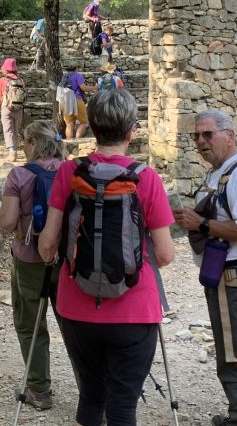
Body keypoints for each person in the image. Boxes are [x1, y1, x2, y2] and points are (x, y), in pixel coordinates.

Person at [38, 88, 174, 426]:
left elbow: (46, 246)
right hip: (134, 310)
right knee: (123, 406)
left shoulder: (70, 173)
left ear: (92, 126)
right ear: (132, 130)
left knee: (91, 396)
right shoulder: (146, 178)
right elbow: (166, 255)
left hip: (76, 307)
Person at [172, 110, 237, 426]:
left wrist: (203, 223)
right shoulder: (218, 173)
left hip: (235, 279)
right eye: (196, 136)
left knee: (234, 354)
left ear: (229, 134)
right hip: (225, 279)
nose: (201, 141)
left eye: (208, 134)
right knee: (235, 348)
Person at [0, 121, 65, 411]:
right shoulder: (71, 171)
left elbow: (8, 222)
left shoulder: (19, 175)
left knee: (30, 324)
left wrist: (2, 221)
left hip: (28, 259)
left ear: (34, 143)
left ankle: (39, 388)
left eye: (24, 141)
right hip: (66, 261)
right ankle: (91, 389)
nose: (22, 146)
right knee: (74, 325)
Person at [0, 58, 25, 163]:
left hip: (6, 107)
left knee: (8, 130)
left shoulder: (2, 80)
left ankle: (12, 152)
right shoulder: (20, 80)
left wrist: (5, 104)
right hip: (19, 108)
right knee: (15, 130)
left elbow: (0, 94)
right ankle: (15, 151)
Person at [59, 64, 95, 139]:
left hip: (65, 101)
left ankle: (69, 141)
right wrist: (94, 87)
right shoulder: (77, 76)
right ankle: (78, 139)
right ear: (76, 68)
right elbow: (83, 88)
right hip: (76, 99)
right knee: (83, 122)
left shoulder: (64, 77)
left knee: (69, 124)